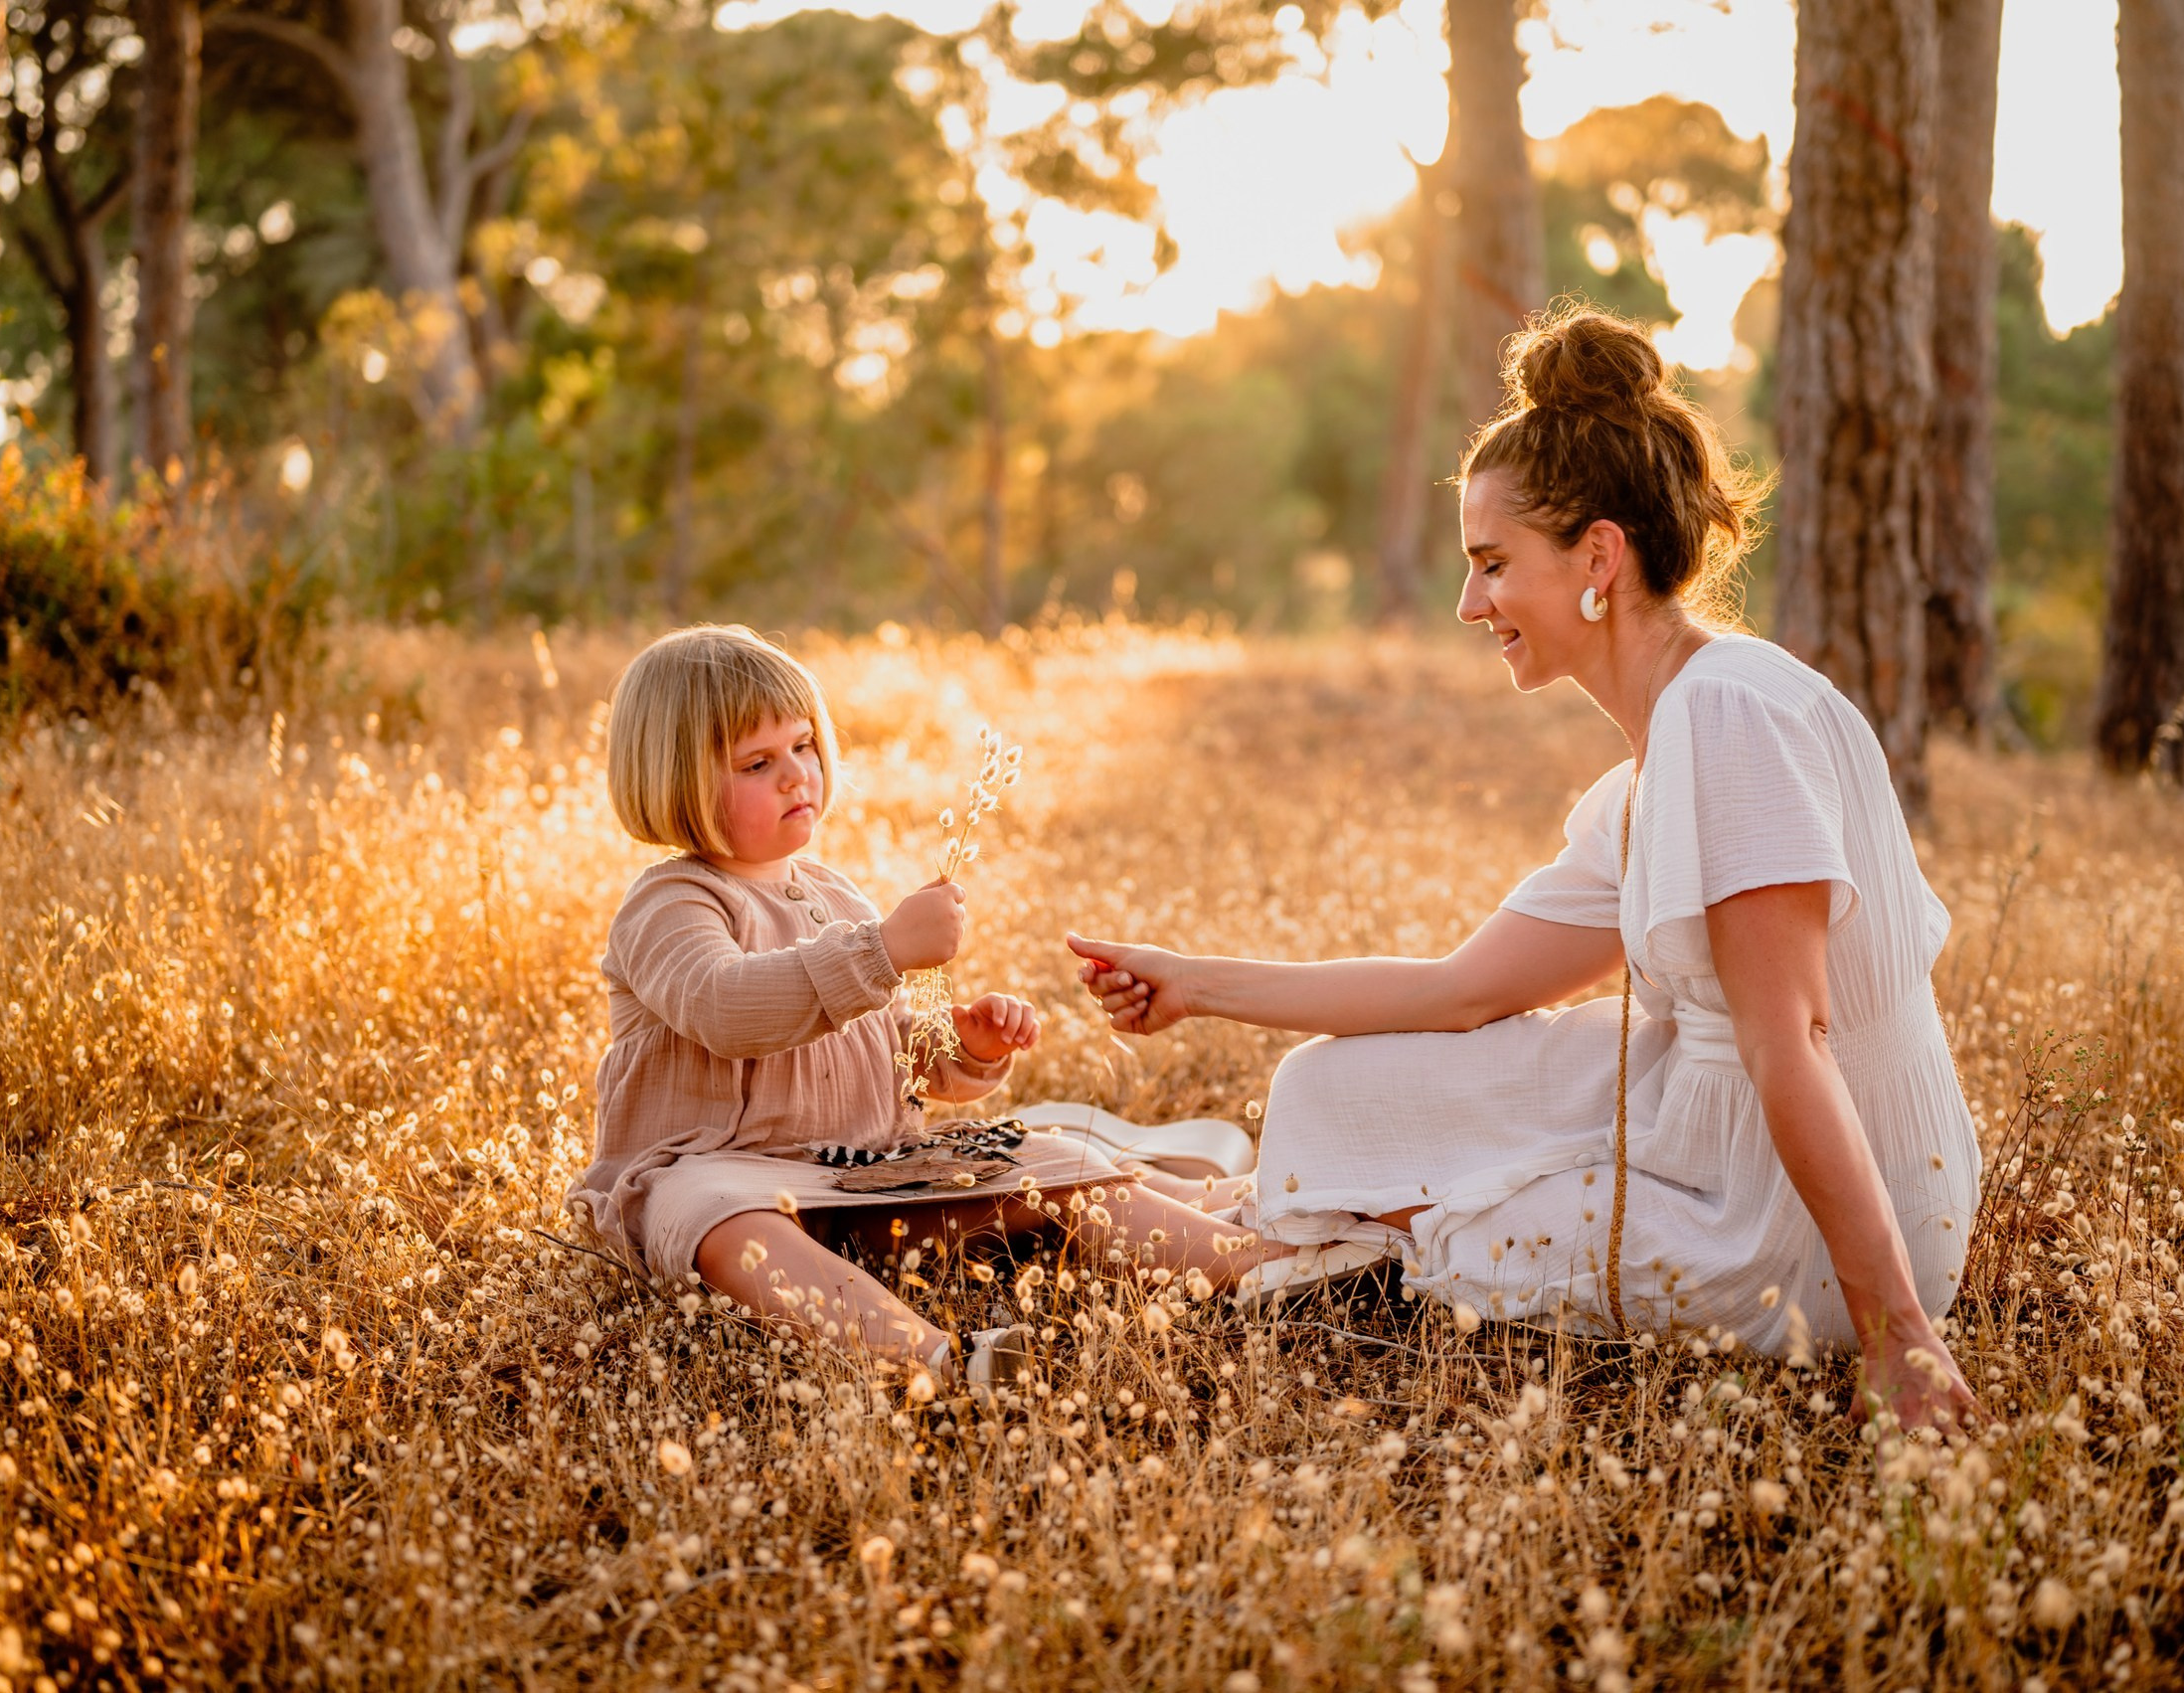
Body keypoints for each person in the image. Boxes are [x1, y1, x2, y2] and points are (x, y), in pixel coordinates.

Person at [1069, 306, 1980, 1431]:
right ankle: (1218, 1204)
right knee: (1324, 1084)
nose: (1468, 604)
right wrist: (1191, 983)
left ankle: (1105, 1209)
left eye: (1493, 565)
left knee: (1417, 1217)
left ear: (1598, 556)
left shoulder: (1729, 718)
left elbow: (1789, 1038)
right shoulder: (1658, 769)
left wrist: (1900, 1335)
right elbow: (1461, 991)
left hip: (1777, 1226)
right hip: (1700, 1130)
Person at [568, 624, 1241, 1391]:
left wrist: (968, 1047)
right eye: (759, 763)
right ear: (674, 783)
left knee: (1052, 1170)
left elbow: (897, 1064)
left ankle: (1263, 1261)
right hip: (717, 1169)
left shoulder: (834, 897)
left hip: (865, 1177)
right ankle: (941, 1361)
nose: (798, 776)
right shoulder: (669, 902)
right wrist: (883, 949)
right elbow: (726, 1007)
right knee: (718, 1219)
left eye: (805, 745)